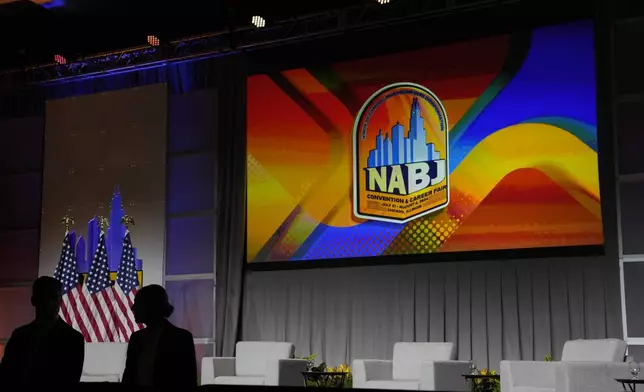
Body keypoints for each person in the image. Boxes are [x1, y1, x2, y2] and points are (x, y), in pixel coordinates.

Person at [0, 276, 85, 386]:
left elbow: (69, 381)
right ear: (34, 300)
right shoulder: (19, 336)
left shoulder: (73, 339)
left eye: (53, 297)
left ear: (60, 301)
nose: (49, 303)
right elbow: (7, 375)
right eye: (44, 297)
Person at [122, 284, 197, 388]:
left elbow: (188, 381)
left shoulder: (181, 339)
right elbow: (128, 378)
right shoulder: (136, 339)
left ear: (151, 306)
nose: (132, 308)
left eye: (138, 304)